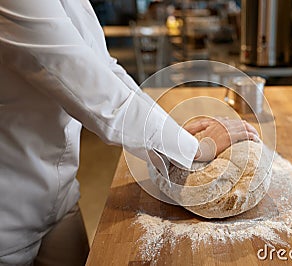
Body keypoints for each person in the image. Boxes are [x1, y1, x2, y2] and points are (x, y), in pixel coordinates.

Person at [0, 1, 258, 265]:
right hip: (9, 217)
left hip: (59, 195)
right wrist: (196, 149)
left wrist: (174, 131)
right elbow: (92, 89)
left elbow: (105, 68)